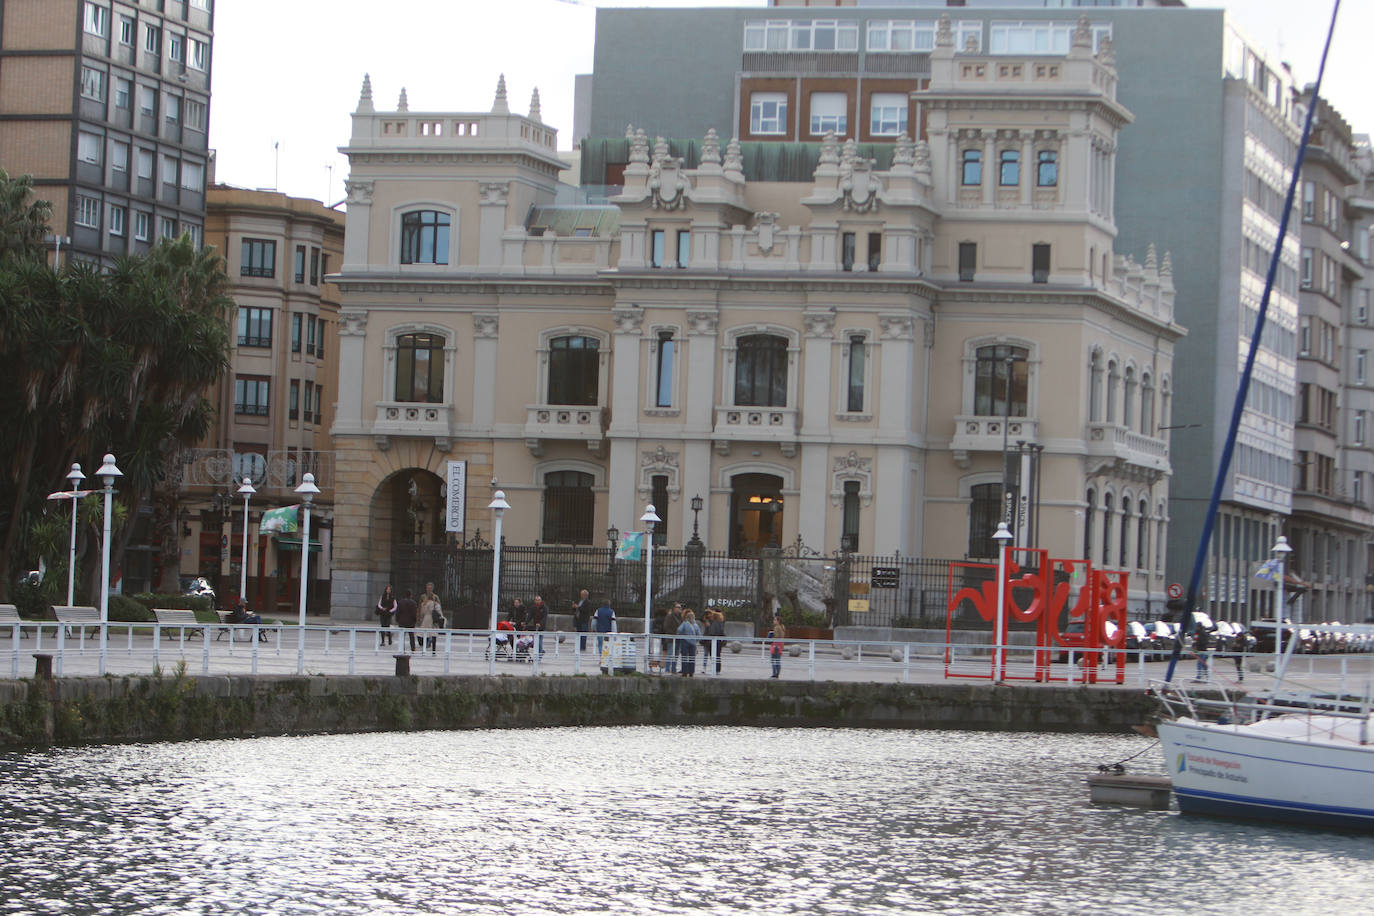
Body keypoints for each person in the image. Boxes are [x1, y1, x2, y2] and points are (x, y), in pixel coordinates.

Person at [418, 582, 443, 654]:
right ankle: (428, 646)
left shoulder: (436, 597)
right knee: (427, 633)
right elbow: (420, 608)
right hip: (427, 618)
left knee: (430, 633)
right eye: (428, 588)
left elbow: (438, 607)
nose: (429, 589)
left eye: (430, 588)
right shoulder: (423, 596)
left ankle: (431, 647)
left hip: (432, 618)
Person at [676, 608, 701, 677]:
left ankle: (684, 672)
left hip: (685, 641)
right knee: (692, 658)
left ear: (686, 617)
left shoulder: (684, 624)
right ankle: (691, 672)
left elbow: (679, 630)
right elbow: (699, 635)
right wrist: (695, 641)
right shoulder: (696, 625)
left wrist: (682, 636)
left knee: (684, 657)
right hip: (693, 643)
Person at [704, 608, 727, 674]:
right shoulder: (720, 623)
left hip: (713, 641)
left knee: (713, 655)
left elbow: (712, 632)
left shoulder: (714, 623)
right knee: (718, 655)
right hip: (719, 641)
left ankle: (715, 669)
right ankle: (717, 669)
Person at [663, 603, 684, 674]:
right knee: (670, 653)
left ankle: (673, 668)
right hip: (671, 639)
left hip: (678, 639)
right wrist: (674, 633)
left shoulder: (681, 617)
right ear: (674, 608)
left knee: (676, 654)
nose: (680, 609)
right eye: (678, 607)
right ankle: (667, 668)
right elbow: (666, 627)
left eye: (680, 607)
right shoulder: (669, 617)